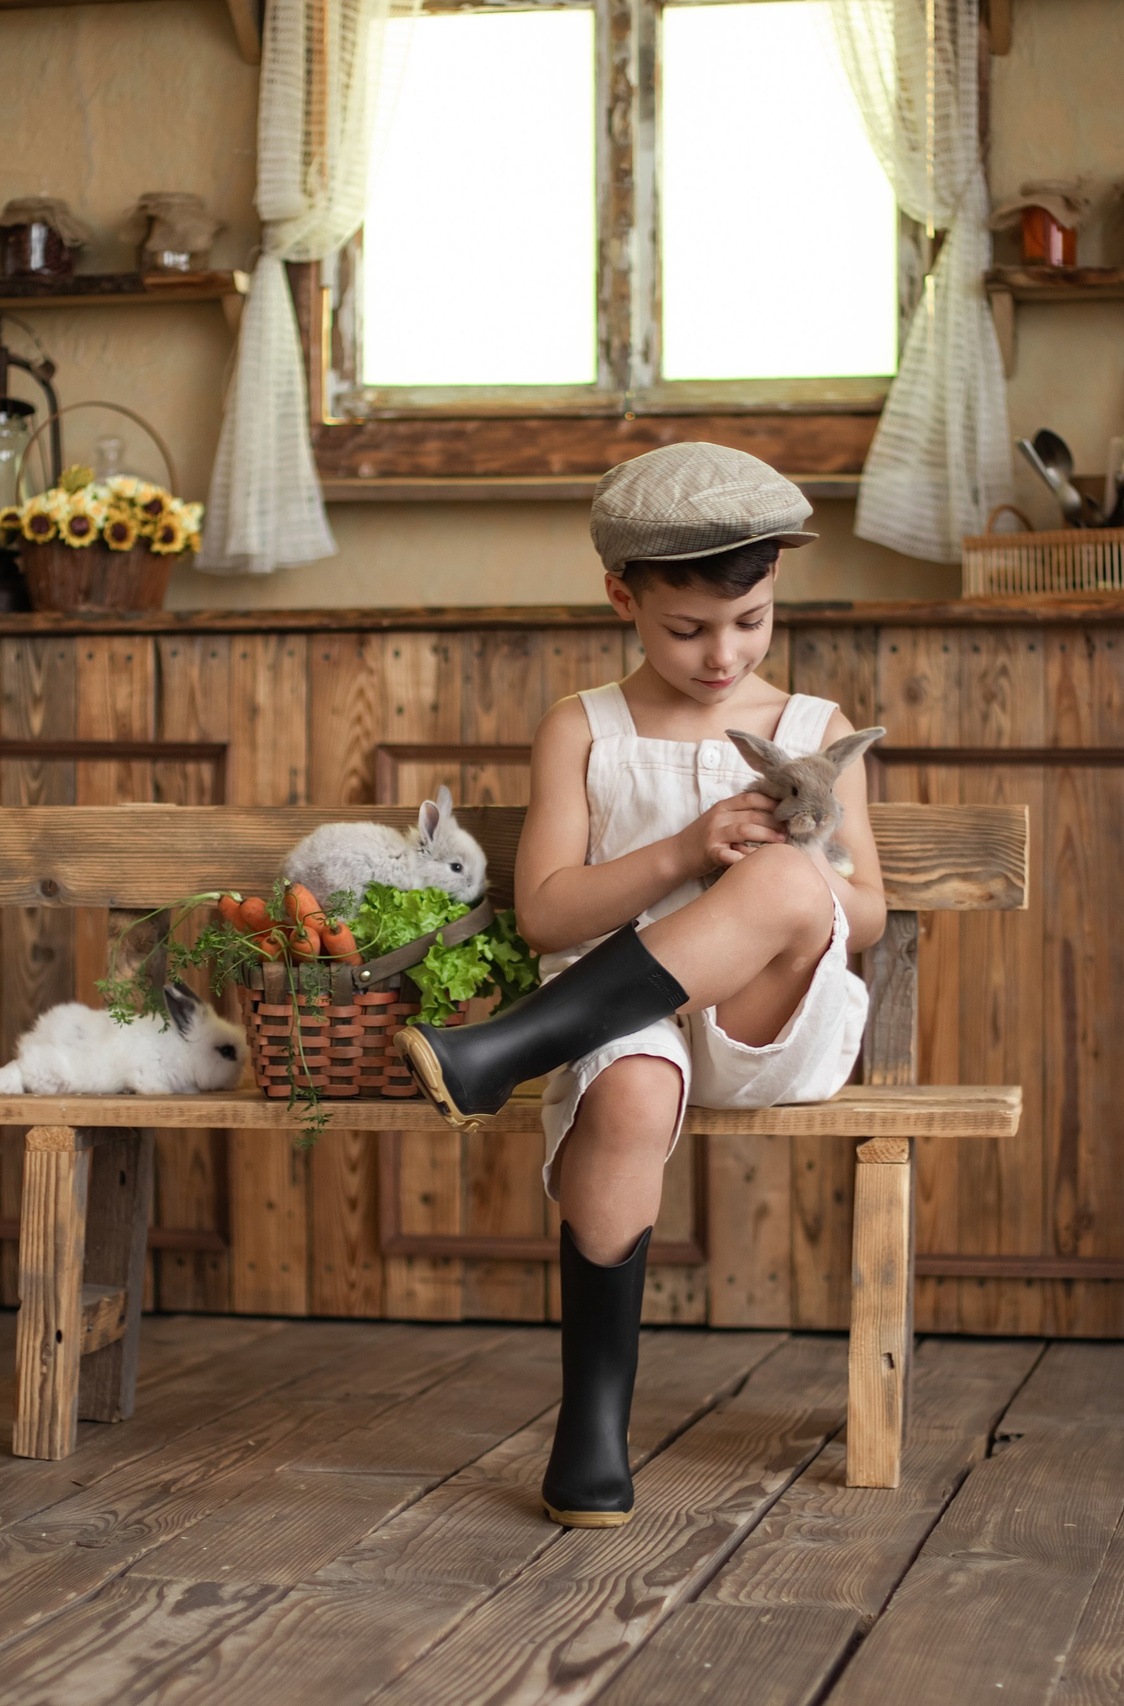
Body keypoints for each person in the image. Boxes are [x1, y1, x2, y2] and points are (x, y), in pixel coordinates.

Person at [395, 443, 886, 1528]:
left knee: (794, 882)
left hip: (771, 1016)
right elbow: (546, 913)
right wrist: (679, 851)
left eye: (750, 620)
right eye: (686, 628)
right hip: (629, 1021)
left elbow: (870, 916)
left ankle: (504, 1048)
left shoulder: (811, 726)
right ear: (621, 596)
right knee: (623, 1093)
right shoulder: (583, 726)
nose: (723, 654)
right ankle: (592, 1421)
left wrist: (768, 872)